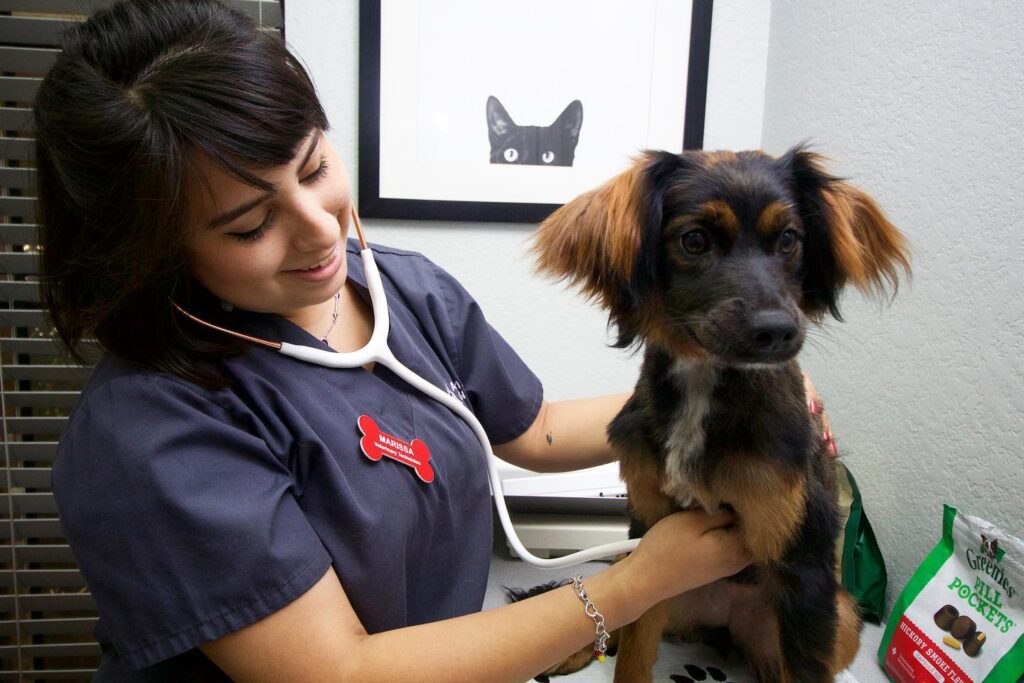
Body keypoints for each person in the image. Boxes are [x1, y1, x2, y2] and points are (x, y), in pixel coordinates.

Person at [34, 1, 759, 680]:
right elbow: (339, 671)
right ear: (153, 250)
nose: (321, 227)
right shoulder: (152, 427)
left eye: (315, 166)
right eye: (251, 224)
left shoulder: (403, 290)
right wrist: (639, 582)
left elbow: (534, 431)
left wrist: (706, 399)